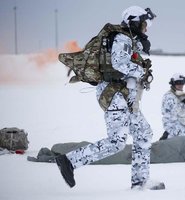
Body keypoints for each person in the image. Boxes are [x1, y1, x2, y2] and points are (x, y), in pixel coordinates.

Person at [55, 6, 165, 190]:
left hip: (124, 94)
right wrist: (141, 71)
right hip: (113, 94)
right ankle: (69, 161)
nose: (146, 28)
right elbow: (119, 62)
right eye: (145, 24)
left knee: (143, 134)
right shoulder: (121, 38)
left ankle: (140, 182)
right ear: (135, 22)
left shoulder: (129, 39)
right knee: (116, 142)